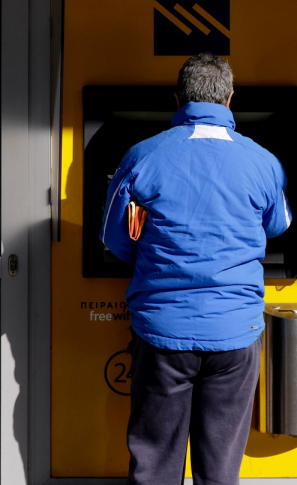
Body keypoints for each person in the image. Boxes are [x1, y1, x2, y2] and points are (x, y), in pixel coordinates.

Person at [101, 53, 291, 485]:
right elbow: (278, 225)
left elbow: (116, 239)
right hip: (235, 333)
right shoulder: (263, 161)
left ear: (177, 98)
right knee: (220, 470)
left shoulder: (141, 156)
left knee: (154, 468)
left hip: (162, 333)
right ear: (230, 98)